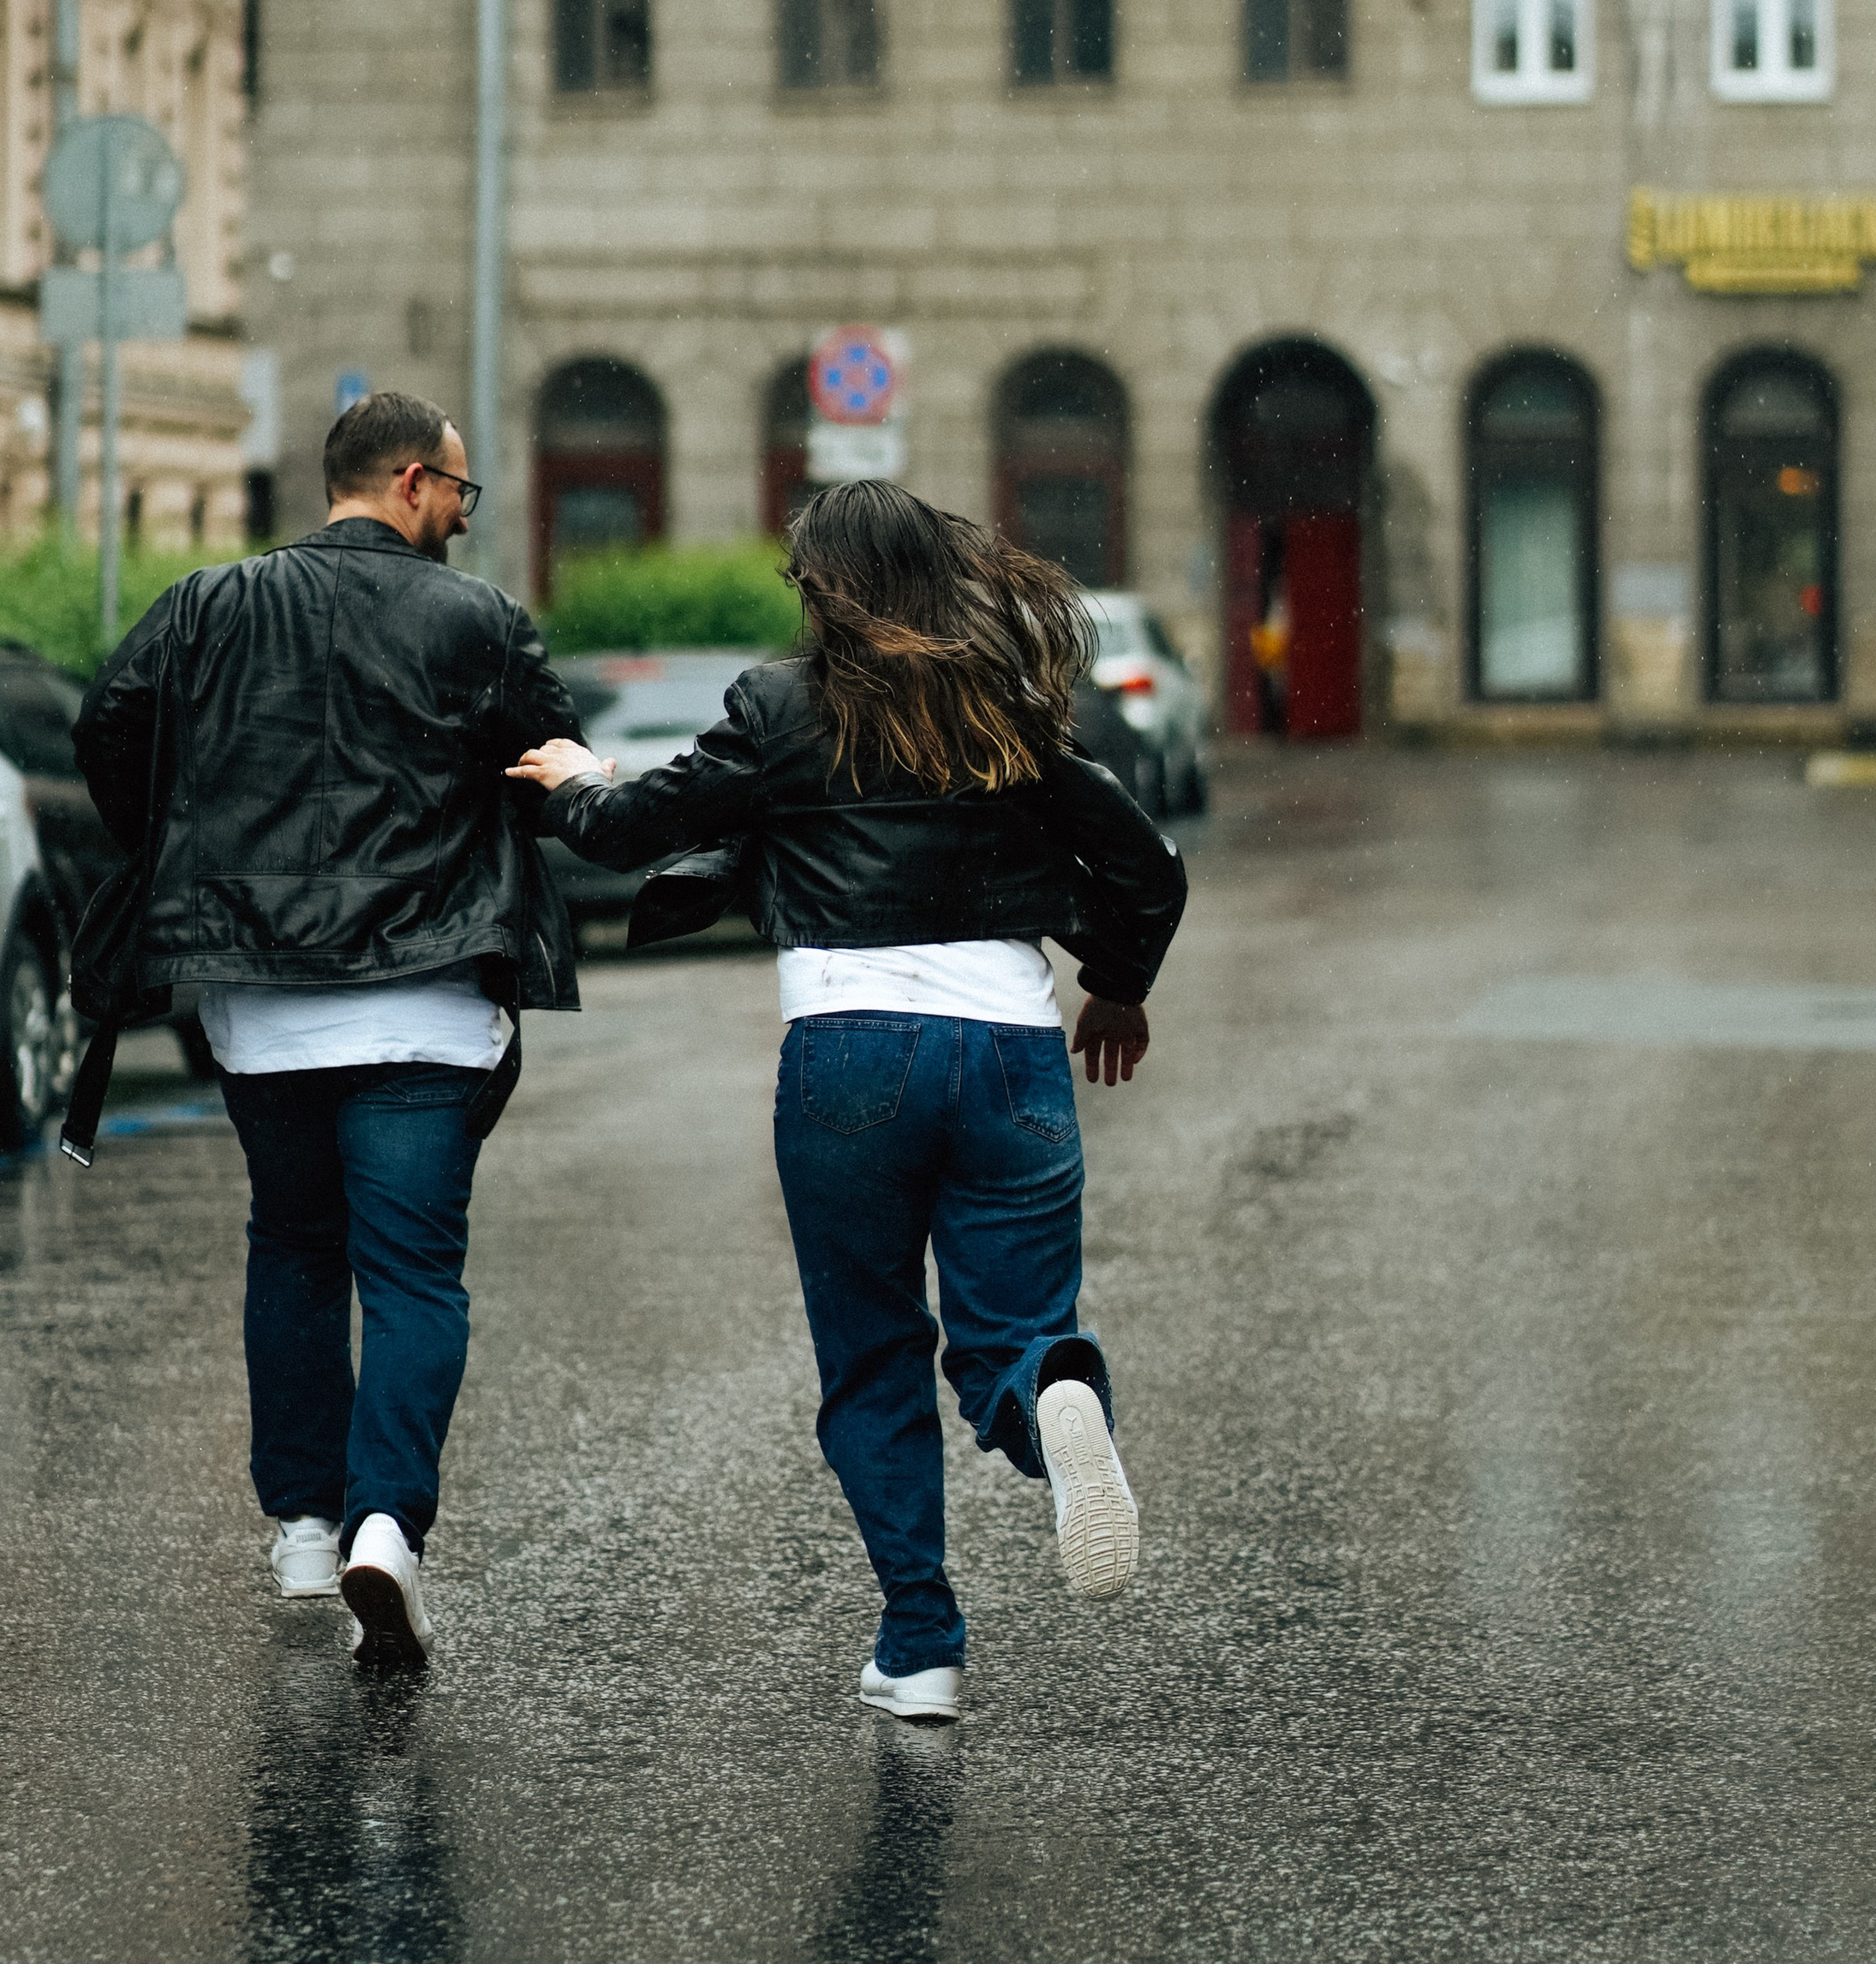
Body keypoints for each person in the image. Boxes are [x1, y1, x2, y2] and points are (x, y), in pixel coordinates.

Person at [509, 479, 1186, 1723]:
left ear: (823, 585)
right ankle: (1051, 1396)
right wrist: (1119, 988)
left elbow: (621, 831)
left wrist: (573, 774)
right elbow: (1147, 863)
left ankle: (921, 1641)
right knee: (1009, 1328)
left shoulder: (780, 706)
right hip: (1009, 1047)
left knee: (874, 1350)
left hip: (848, 1056)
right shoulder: (1009, 708)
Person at [74, 388, 583, 1670]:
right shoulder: (477, 620)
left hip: (260, 999)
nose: (466, 515)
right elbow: (552, 762)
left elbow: (108, 724)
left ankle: (304, 1522)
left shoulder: (208, 603)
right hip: (428, 993)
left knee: (295, 1249)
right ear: (412, 482)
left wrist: (195, 836)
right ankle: (384, 1527)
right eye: (462, 491)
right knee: (412, 1272)